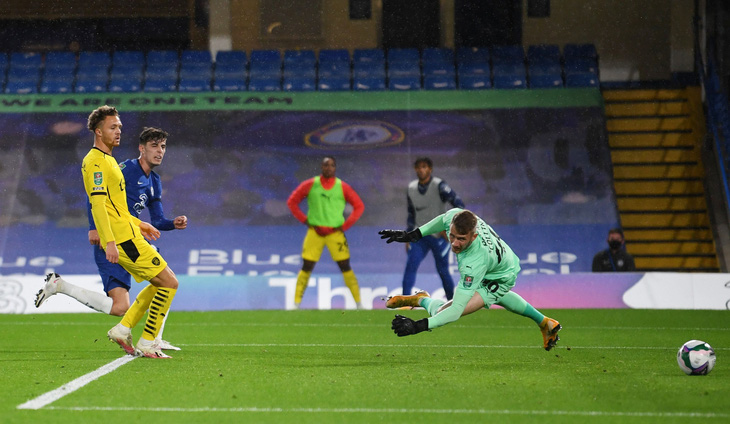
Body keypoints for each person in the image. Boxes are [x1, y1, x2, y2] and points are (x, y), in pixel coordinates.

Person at [40, 105, 179, 358]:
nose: (118, 132)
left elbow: (115, 206)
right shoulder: (94, 162)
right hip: (122, 239)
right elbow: (98, 203)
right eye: (112, 127)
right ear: (97, 130)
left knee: (161, 282)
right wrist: (110, 242)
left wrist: (141, 223)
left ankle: (125, 330)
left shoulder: (109, 161)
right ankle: (147, 341)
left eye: (120, 127)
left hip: (130, 232)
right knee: (168, 282)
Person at [379, 208, 562, 351]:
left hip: (500, 275)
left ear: (474, 236)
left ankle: (422, 299)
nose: (455, 243)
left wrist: (417, 326)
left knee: (441, 313)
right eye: (452, 236)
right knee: (498, 297)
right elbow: (442, 219)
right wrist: (413, 235)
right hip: (503, 260)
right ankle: (545, 322)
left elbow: (455, 311)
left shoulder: (473, 263)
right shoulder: (457, 216)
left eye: (461, 239)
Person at [287, 156, 365, 309]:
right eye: (326, 165)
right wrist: (304, 220)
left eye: (331, 165)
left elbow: (359, 206)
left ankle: (359, 303)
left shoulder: (342, 187)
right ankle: (296, 304)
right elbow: (292, 202)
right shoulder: (311, 185)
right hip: (314, 232)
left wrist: (345, 226)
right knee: (306, 266)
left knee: (345, 267)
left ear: (335, 168)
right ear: (322, 167)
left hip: (335, 234)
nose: (328, 168)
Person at [402, 157, 465, 299]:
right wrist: (407, 235)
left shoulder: (439, 186)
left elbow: (459, 205)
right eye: (418, 167)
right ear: (415, 169)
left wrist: (451, 228)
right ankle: (404, 303)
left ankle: (451, 303)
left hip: (439, 236)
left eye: (424, 167)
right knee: (410, 267)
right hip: (420, 235)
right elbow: (411, 214)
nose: (421, 170)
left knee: (443, 270)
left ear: (430, 169)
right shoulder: (411, 188)